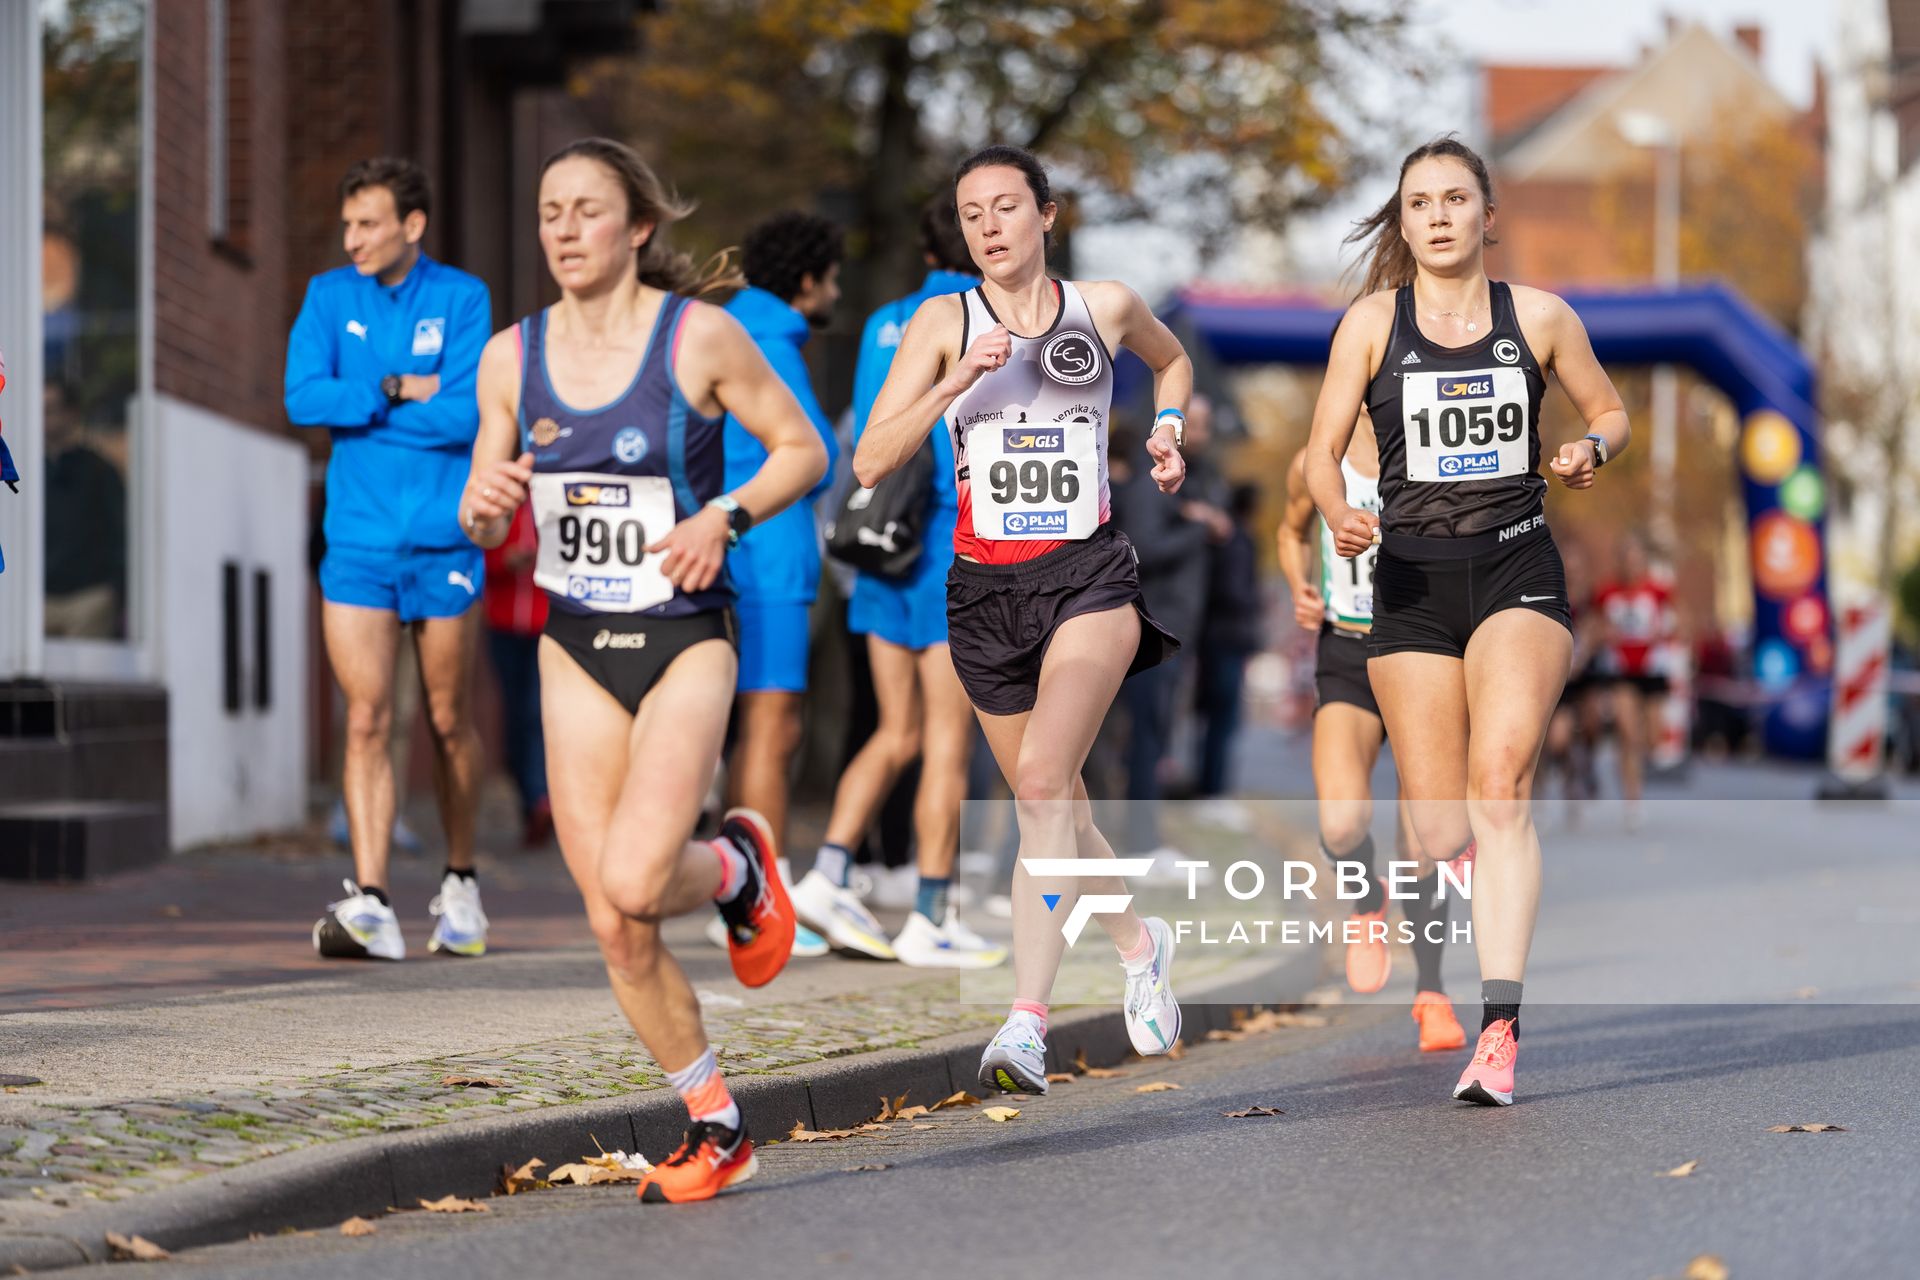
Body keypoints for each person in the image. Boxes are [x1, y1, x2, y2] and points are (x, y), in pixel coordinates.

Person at [461, 138, 825, 1203]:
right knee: (614, 921)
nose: (564, 230)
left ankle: (734, 869)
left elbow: (802, 448)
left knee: (633, 877)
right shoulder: (507, 356)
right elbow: (486, 489)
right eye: (548, 213)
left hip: (684, 636)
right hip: (574, 642)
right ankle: (717, 1123)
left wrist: (723, 513)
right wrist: (482, 509)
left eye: (586, 210)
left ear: (638, 229)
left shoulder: (698, 338)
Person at [854, 144, 1191, 1096]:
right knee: (1062, 809)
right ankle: (1139, 942)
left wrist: (1165, 434)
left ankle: (1026, 1022)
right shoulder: (939, 321)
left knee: (1042, 782)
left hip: (1089, 577)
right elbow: (872, 460)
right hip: (981, 595)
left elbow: (1175, 365)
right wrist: (955, 378)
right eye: (972, 213)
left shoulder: (1107, 307)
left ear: (1048, 214)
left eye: (1008, 206)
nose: (990, 225)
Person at [1304, 136, 1629, 1106]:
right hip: (1408, 584)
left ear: (1488, 216)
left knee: (1501, 782)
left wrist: (1590, 450)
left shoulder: (1539, 316)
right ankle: (1487, 866)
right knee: (1443, 826)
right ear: (1403, 224)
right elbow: (1319, 454)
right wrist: (1336, 510)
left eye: (1456, 198)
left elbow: (1611, 410)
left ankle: (1499, 1027)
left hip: (1515, 567)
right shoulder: (1369, 325)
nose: (1439, 215)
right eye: (1420, 202)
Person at [285, 157, 493, 961]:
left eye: (368, 224)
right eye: (347, 226)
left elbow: (470, 412)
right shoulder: (328, 296)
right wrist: (399, 388)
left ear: (413, 224)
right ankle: (371, 901)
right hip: (359, 541)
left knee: (446, 720)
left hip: (444, 538)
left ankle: (462, 879)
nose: (354, 239)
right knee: (367, 717)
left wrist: (381, 399)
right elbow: (304, 397)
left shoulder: (463, 296)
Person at [795, 197, 1005, 967]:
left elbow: (867, 429)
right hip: (952, 540)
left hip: (882, 549)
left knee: (894, 730)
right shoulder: (979, 317)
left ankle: (826, 875)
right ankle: (929, 915)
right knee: (947, 741)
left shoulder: (887, 318)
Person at [1280, 410, 1464, 1053]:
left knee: (1425, 844)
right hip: (1347, 654)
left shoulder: (1432, 445)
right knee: (1340, 823)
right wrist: (1301, 585)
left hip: (1421, 652)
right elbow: (1289, 529)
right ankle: (1367, 902)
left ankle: (1432, 993)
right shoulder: (1315, 458)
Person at [721, 213, 842, 938]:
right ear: (805, 282)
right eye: (832, 279)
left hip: (721, 546)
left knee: (733, 728)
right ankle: (760, 900)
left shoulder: (724, 328)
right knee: (772, 725)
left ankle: (736, 884)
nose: (835, 293)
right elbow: (813, 447)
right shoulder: (774, 341)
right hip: (767, 557)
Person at [1111, 398, 1222, 871]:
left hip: (1177, 627)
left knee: (1155, 737)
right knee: (1145, 737)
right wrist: (1200, 530)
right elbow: (1144, 548)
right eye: (1189, 425)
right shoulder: (1148, 483)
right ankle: (1141, 842)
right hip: (1153, 628)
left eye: (1203, 425)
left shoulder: (1191, 482)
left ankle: (1144, 837)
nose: (1198, 433)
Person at [1190, 481, 1263, 827]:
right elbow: (1235, 591)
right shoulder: (1238, 541)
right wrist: (1254, 612)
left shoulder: (1228, 539)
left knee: (1215, 717)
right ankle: (1212, 791)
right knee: (1223, 717)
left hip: (1219, 637)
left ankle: (1209, 787)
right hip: (1227, 638)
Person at [1593, 532, 1676, 829]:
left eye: (1637, 559)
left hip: (1652, 668)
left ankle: (1635, 769)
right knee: (1627, 733)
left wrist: (1666, 634)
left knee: (1652, 740)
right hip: (1621, 669)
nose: (1632, 565)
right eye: (1626, 559)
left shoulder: (1659, 590)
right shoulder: (1606, 592)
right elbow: (1595, 625)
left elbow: (1678, 621)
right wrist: (1604, 635)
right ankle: (1632, 799)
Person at [482, 504, 552, 847]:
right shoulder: (500, 499)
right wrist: (504, 561)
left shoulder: (554, 492)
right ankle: (530, 800)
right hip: (503, 623)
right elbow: (478, 552)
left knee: (535, 712)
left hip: (545, 623)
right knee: (514, 715)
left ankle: (541, 799)